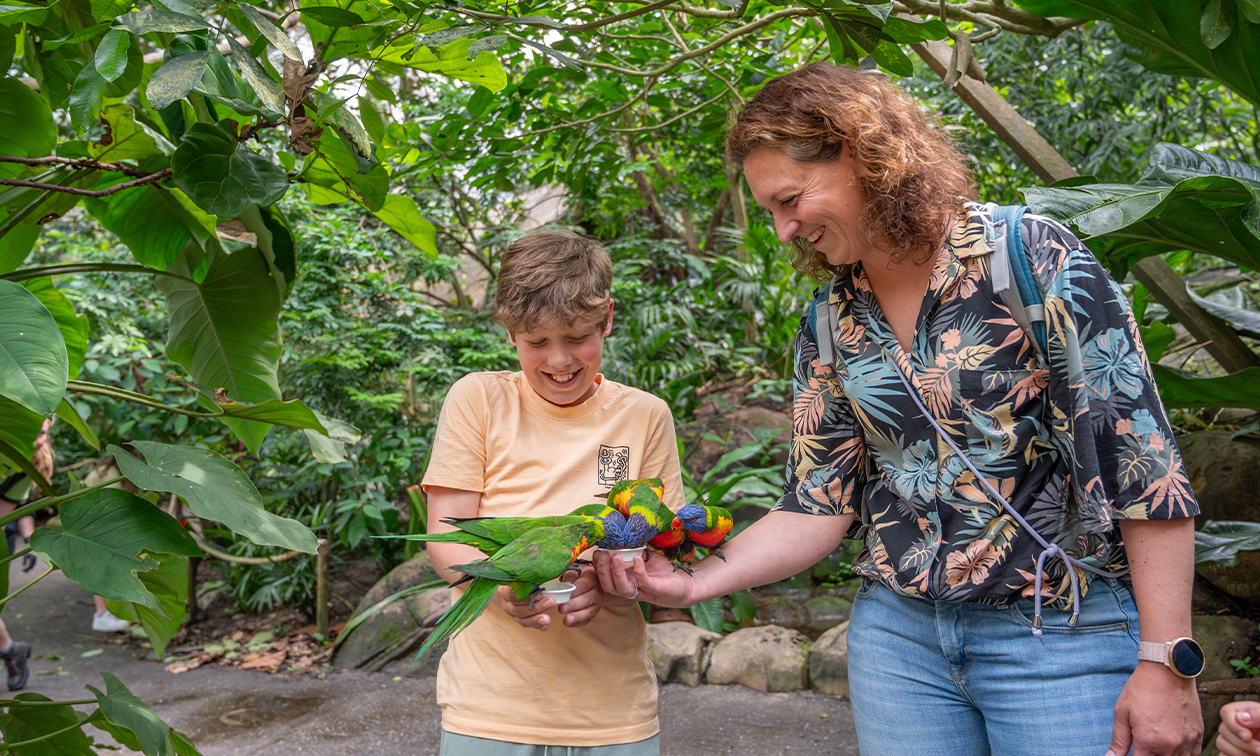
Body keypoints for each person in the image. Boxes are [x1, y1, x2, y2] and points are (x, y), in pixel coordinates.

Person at [595, 62, 1203, 756]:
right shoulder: (833, 317)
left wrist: (1165, 663)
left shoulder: (1030, 260)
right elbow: (816, 502)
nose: (783, 230)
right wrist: (698, 578)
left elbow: (1143, 472)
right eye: (769, 209)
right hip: (899, 644)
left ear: (863, 155)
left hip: (1057, 633)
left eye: (790, 199)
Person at [422, 230, 684, 755]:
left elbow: (662, 554)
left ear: (607, 317)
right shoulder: (479, 399)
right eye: (536, 342)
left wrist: (606, 582)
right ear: (509, 334)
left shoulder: (644, 415)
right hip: (490, 709)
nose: (559, 360)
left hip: (612, 711)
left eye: (577, 336)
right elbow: (445, 539)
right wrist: (503, 587)